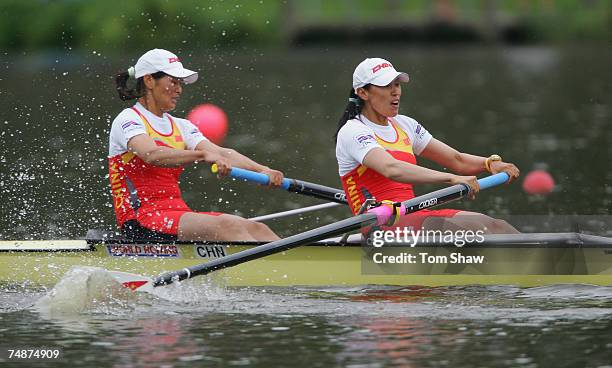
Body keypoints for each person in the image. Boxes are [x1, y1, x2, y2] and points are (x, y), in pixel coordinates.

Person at [109, 48, 283, 242]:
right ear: (149, 80)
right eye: (173, 82)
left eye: (180, 83)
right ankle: (266, 270)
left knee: (258, 229)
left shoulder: (181, 126)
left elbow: (222, 152)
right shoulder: (129, 120)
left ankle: (292, 267)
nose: (179, 89)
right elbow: (151, 154)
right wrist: (201, 155)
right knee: (228, 225)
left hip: (176, 214)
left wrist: (263, 170)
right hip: (141, 219)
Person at [334, 57, 520, 234]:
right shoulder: (353, 131)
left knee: (496, 226)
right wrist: (452, 179)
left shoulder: (405, 124)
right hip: (379, 225)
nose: (395, 91)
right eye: (386, 86)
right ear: (362, 92)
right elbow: (392, 168)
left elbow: (457, 160)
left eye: (397, 84)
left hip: (411, 215)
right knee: (463, 231)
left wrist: (490, 163)